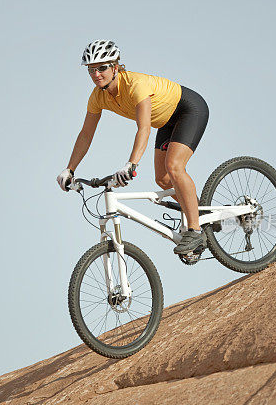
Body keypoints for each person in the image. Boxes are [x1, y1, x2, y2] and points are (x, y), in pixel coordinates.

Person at [57, 40, 209, 255]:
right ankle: (203, 213)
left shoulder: (135, 85)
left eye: (102, 68)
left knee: (174, 166)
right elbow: (86, 134)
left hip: (188, 110)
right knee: (163, 179)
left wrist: (131, 164)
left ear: (115, 67)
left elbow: (144, 128)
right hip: (166, 121)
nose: (97, 74)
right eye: (91, 70)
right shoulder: (97, 97)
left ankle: (195, 230)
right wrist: (69, 169)